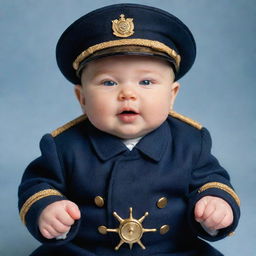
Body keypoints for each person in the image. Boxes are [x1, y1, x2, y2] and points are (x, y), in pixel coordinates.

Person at [18, 3, 240, 256]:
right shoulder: (64, 145)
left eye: (146, 81)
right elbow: (38, 184)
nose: (127, 94)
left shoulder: (190, 142)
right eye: (108, 82)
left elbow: (213, 181)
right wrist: (47, 208)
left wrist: (216, 203)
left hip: (172, 248)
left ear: (172, 95)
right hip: (86, 249)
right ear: (82, 98)